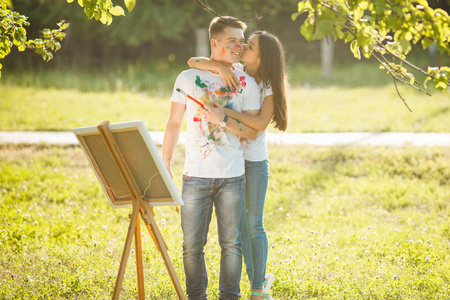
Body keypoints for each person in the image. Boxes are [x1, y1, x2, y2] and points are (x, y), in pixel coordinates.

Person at [162, 16, 262, 300]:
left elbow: (251, 133)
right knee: (192, 245)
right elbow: (173, 123)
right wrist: (165, 162)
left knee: (231, 245)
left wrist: (222, 120)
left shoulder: (246, 82)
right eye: (232, 41)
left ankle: (229, 297)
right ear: (215, 43)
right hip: (194, 176)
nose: (239, 46)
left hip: (232, 176)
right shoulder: (186, 78)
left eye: (242, 42)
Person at [188, 30, 289, 300]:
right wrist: (218, 65)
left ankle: (257, 288)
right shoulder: (236, 71)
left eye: (250, 45)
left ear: (262, 56)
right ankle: (258, 281)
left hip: (254, 162)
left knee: (253, 223)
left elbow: (256, 127)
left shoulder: (267, 85)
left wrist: (222, 112)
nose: (243, 45)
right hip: (233, 162)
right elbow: (192, 62)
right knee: (239, 228)